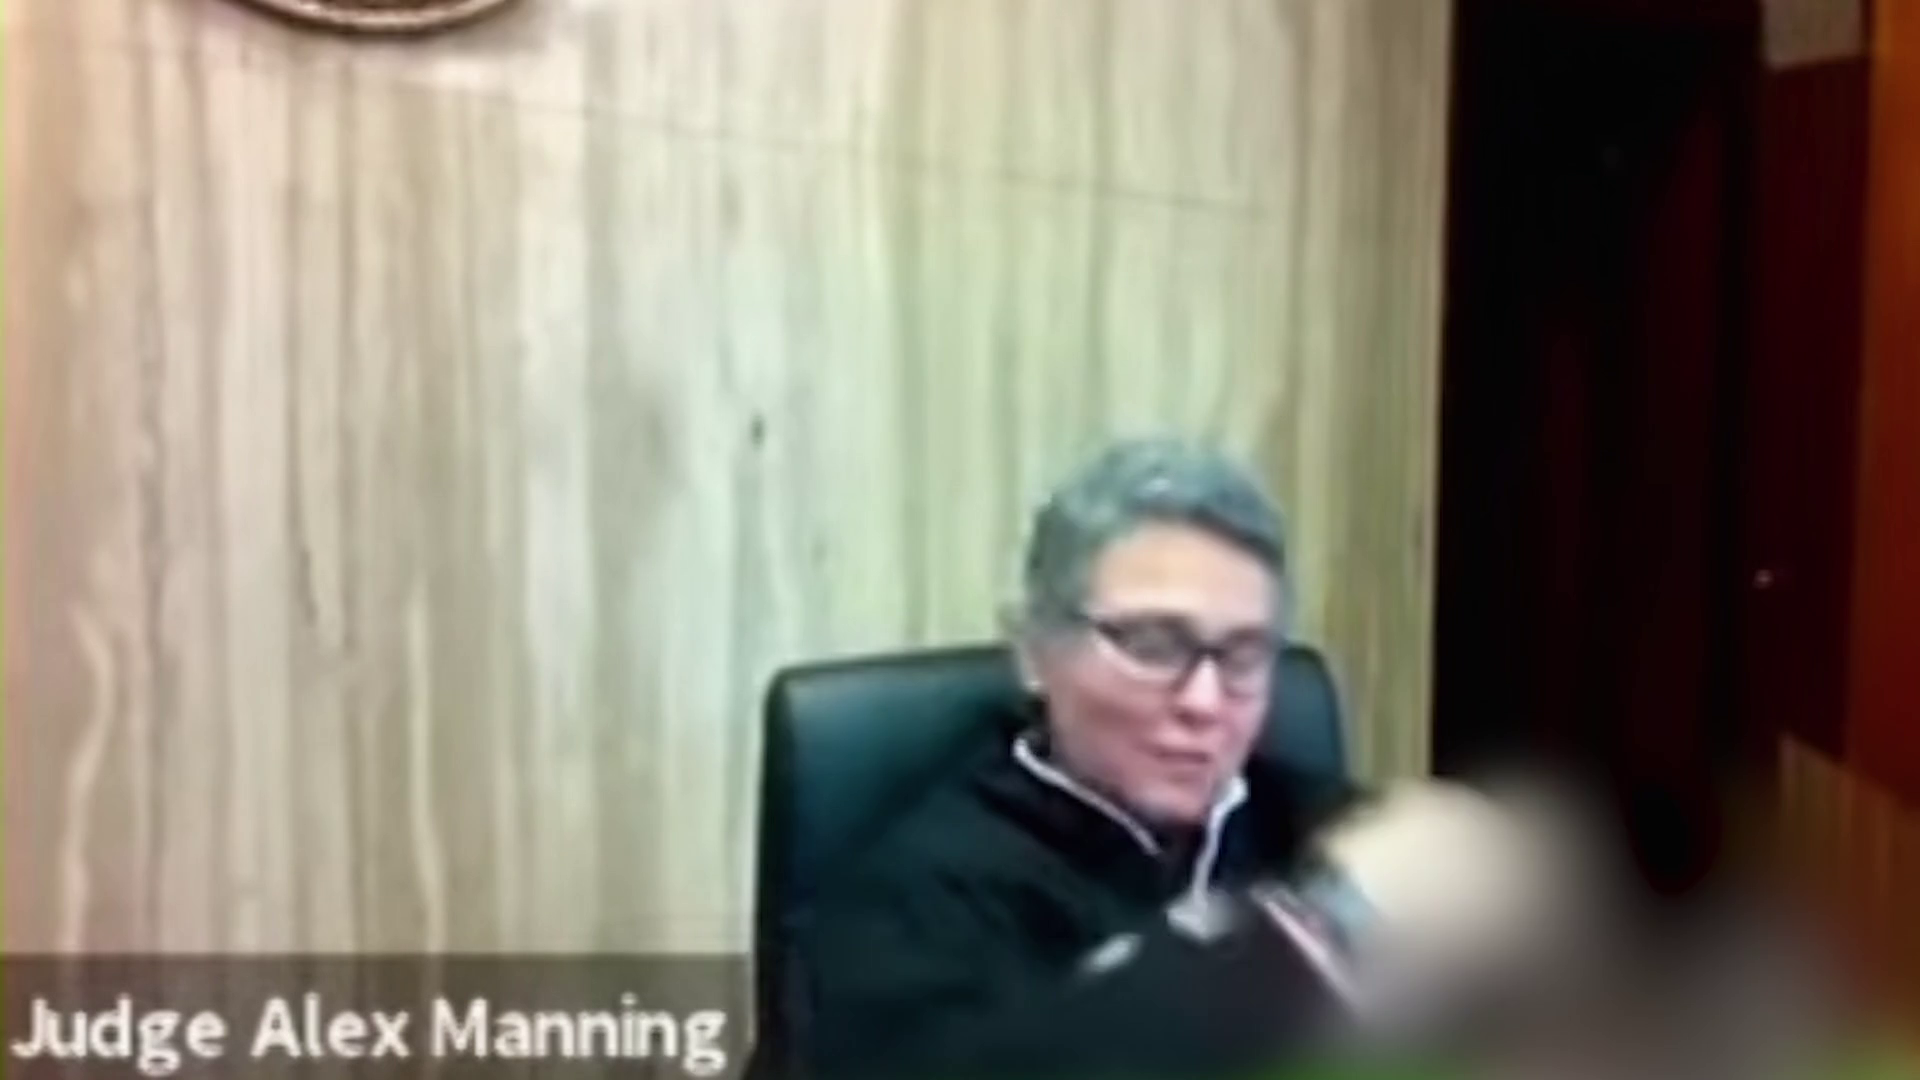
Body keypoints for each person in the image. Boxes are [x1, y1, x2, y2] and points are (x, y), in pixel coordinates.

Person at [788, 438, 1569, 1080]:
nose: (1204, 700)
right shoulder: (907, 903)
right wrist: (1315, 938)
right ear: (1034, 651)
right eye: (1153, 644)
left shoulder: (1325, 828)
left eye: (1244, 654)